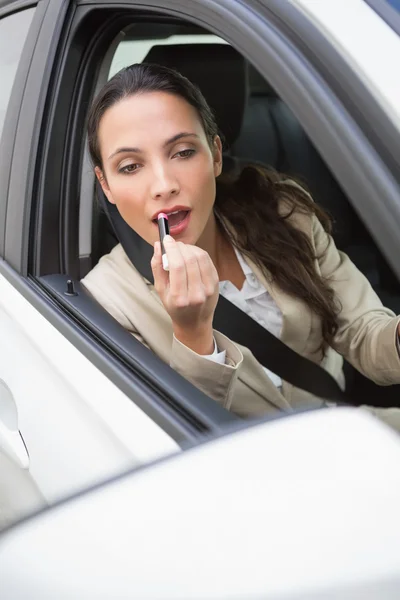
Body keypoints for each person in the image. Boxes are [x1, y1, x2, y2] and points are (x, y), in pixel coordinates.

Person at [82, 63, 400, 429]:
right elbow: (180, 439)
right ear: (105, 185)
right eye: (130, 167)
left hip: (341, 430)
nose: (163, 184)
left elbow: (362, 331)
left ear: (215, 154)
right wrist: (193, 334)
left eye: (183, 152)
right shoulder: (105, 302)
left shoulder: (284, 212)